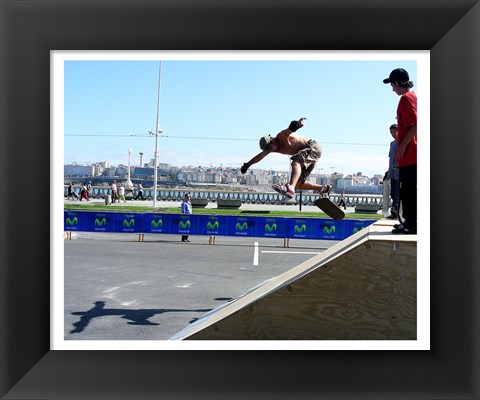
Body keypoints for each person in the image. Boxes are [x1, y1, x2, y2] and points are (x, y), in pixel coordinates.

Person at [240, 118, 331, 198]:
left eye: (271, 147)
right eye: (269, 149)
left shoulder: (280, 137)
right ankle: (323, 188)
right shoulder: (272, 148)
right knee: (298, 183)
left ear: (272, 140)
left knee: (295, 163)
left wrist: (298, 124)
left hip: (313, 147)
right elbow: (260, 156)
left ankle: (290, 188)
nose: (271, 150)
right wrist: (247, 165)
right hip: (307, 156)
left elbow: (290, 128)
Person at [383, 68, 417, 234]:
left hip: (411, 155)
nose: (392, 89)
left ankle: (411, 224)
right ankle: (409, 222)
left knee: (409, 191)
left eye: (392, 85)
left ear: (397, 82)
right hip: (411, 155)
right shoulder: (413, 97)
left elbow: (416, 124)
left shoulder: (406, 98)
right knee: (408, 191)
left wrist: (402, 146)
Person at [383, 124, 399, 219]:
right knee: (393, 193)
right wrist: (387, 172)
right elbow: (391, 159)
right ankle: (394, 212)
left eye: (394, 131)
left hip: (400, 173)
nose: (393, 134)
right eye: (391, 132)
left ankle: (398, 212)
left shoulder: (402, 142)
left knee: (398, 193)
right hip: (392, 173)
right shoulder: (392, 144)